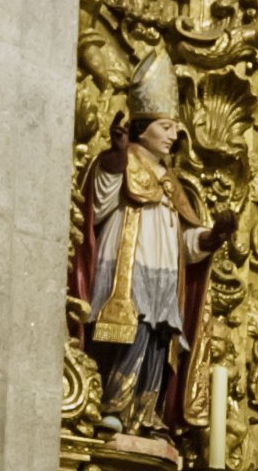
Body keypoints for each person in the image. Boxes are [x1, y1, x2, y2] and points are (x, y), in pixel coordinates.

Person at [71, 54, 216, 439]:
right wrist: (117, 157)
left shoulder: (170, 180)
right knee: (128, 333)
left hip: (165, 278)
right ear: (142, 128)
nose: (173, 136)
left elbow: (184, 244)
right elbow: (97, 206)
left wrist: (211, 238)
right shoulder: (119, 162)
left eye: (174, 129)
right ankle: (112, 404)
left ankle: (145, 412)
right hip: (126, 267)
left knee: (157, 339)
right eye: (166, 127)